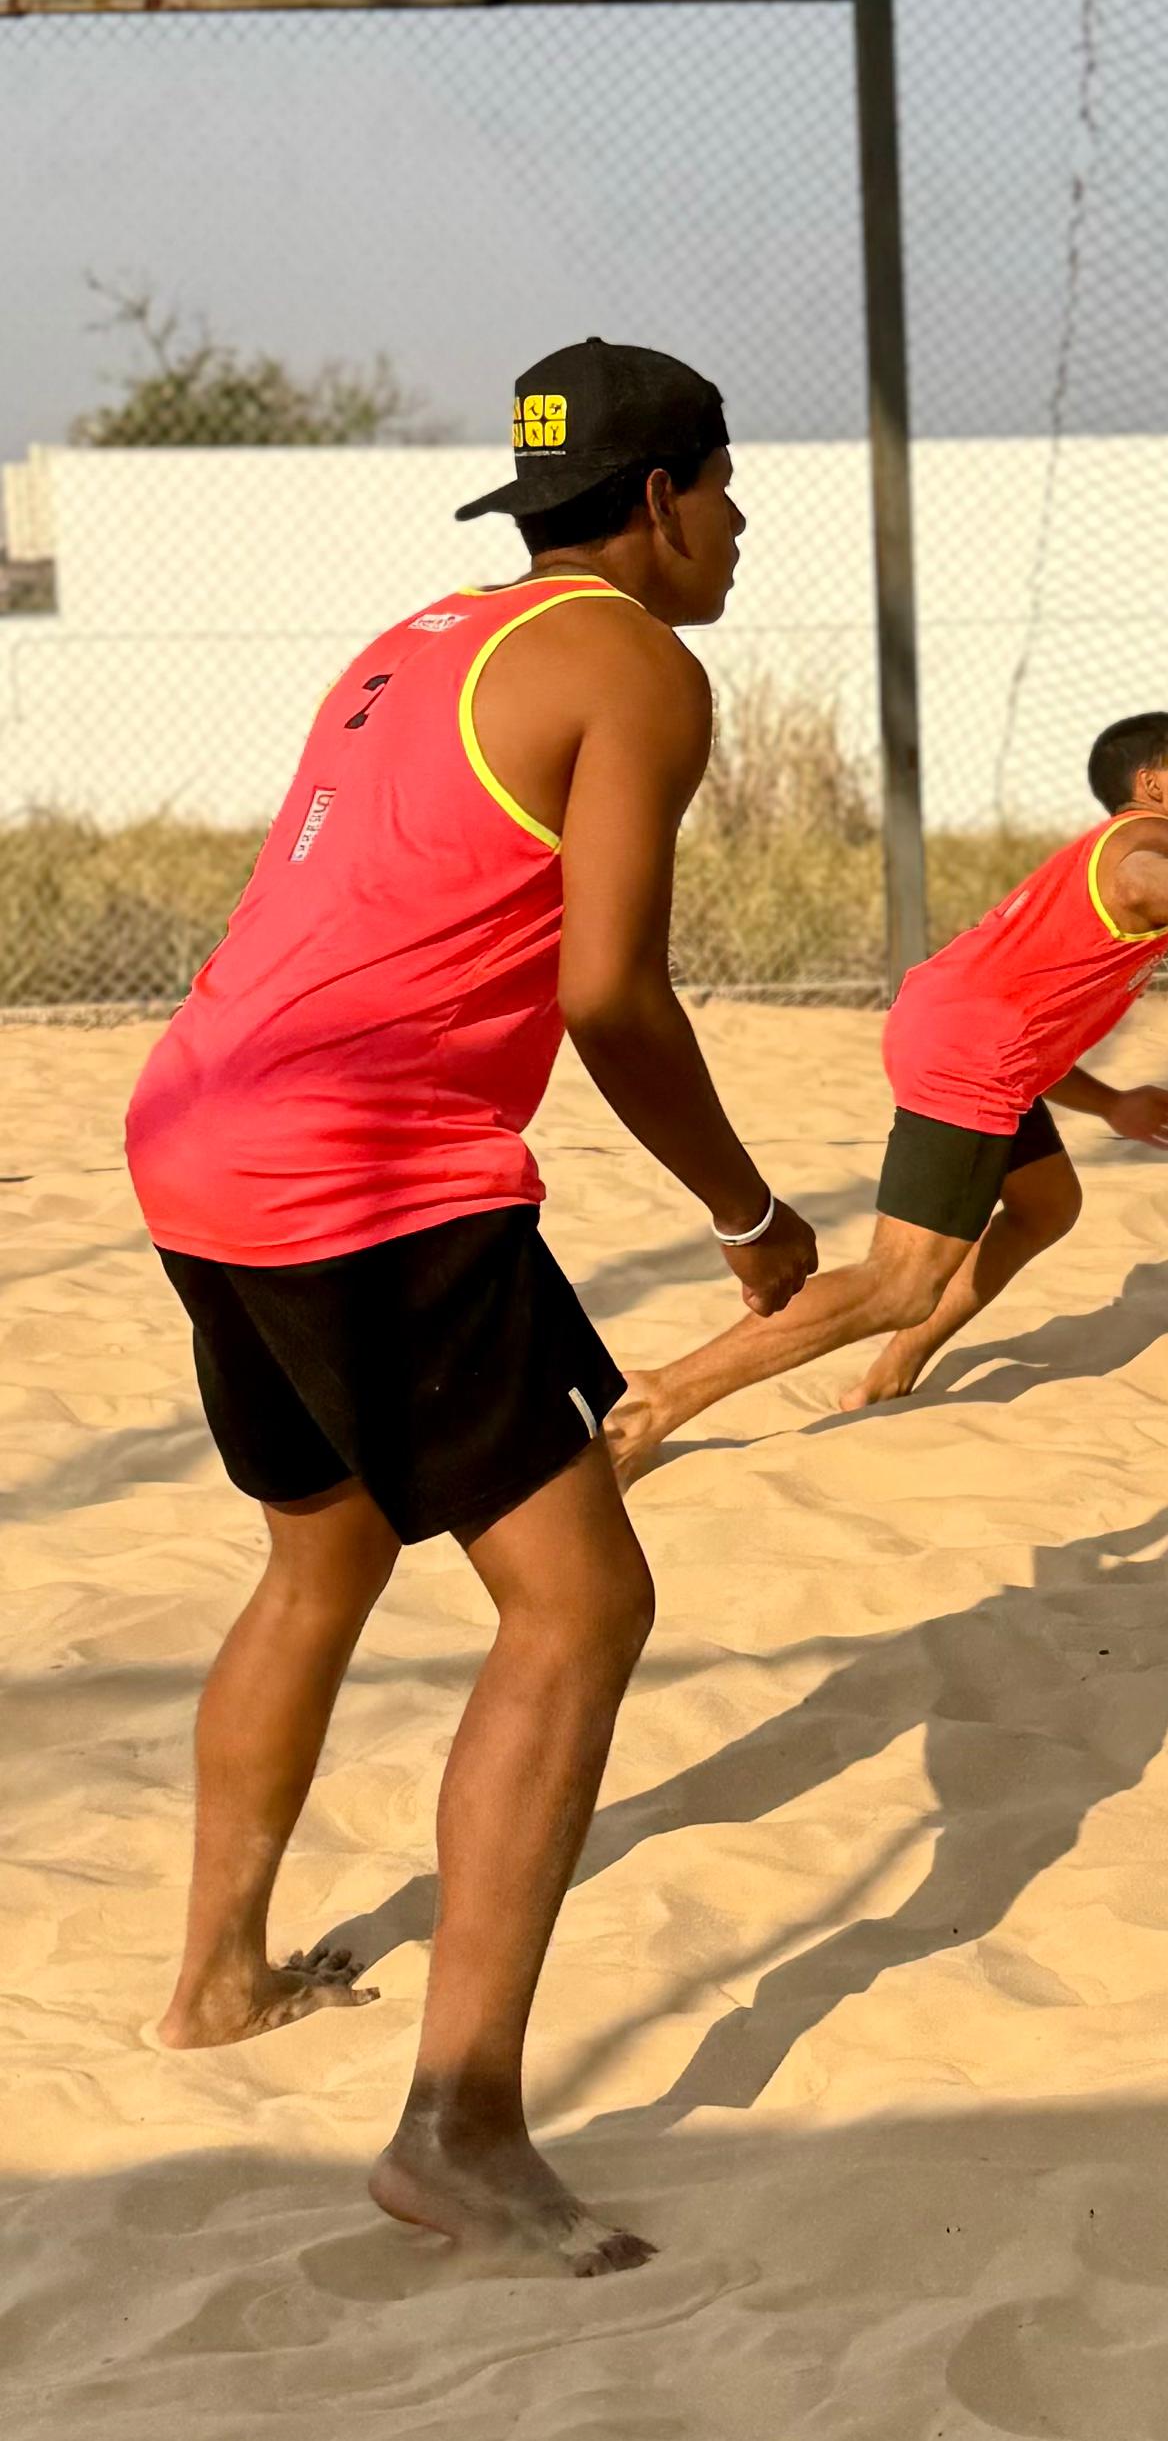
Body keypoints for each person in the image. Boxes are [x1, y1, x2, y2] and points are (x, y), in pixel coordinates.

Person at [121, 336, 817, 2276]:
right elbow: (611, 997)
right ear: (663, 500)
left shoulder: (416, 632)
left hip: (193, 1123)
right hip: (359, 1168)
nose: (744, 524)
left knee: (319, 1558)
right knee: (584, 1601)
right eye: (730, 487)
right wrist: (752, 1215)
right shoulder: (640, 666)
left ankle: (216, 1981)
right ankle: (463, 2126)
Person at [607, 713, 1168, 1460]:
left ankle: (894, 1366)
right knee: (897, 1282)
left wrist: (1112, 1104)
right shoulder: (1150, 847)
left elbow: (1032, 1021)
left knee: (1048, 1202)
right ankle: (660, 1396)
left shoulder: (1098, 861)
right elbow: (1142, 881)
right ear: (1150, 785)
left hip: (964, 1032)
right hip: (967, 1053)